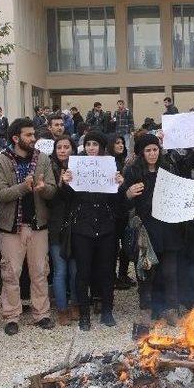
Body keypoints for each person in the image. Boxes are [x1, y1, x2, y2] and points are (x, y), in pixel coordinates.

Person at [0, 117, 57, 335]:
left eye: (34, 135)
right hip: (12, 227)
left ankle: (42, 314)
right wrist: (24, 187)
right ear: (15, 138)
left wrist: (42, 189)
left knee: (40, 271)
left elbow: (52, 189)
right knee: (11, 273)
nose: (33, 139)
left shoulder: (43, 159)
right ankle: (11, 316)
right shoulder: (1, 161)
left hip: (38, 225)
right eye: (29, 135)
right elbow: (0, 194)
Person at [60, 131, 123, 330]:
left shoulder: (112, 166)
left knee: (106, 271)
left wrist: (120, 185)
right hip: (83, 226)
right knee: (83, 272)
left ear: (102, 147)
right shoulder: (77, 166)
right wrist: (66, 183)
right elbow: (65, 198)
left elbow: (118, 202)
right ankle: (84, 314)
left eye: (95, 144)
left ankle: (107, 310)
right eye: (88, 144)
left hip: (105, 226)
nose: (91, 148)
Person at [121, 134, 183, 325]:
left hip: (169, 227)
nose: (152, 153)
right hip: (146, 230)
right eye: (148, 150)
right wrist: (128, 194)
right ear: (141, 152)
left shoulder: (169, 168)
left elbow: (180, 194)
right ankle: (146, 309)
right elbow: (120, 203)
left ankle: (171, 308)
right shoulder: (132, 172)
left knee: (170, 272)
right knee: (146, 271)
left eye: (155, 149)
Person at [47, 135, 79, 326]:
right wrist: (60, 183)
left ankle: (75, 303)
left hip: (76, 225)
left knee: (75, 270)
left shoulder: (81, 168)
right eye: (59, 147)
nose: (63, 150)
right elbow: (49, 199)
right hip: (57, 225)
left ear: (73, 149)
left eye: (66, 147)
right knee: (60, 271)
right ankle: (61, 308)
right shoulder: (49, 168)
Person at [106, 134, 135, 290]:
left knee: (126, 244)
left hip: (124, 209)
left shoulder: (125, 162)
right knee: (113, 247)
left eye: (122, 142)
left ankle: (122, 274)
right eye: (117, 142)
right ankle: (113, 277)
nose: (120, 145)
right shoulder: (108, 162)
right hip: (113, 210)